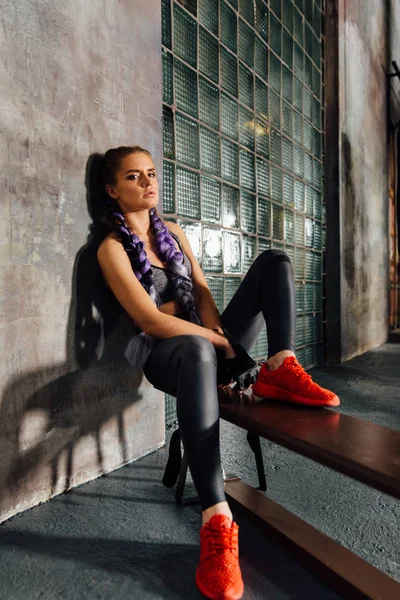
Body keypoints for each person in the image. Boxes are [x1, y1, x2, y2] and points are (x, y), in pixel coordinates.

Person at [97, 145, 339, 600]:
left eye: (151, 173)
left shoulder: (172, 231)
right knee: (195, 346)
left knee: (274, 262)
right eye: (134, 177)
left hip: (207, 343)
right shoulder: (111, 249)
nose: (148, 182)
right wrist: (218, 343)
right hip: (167, 356)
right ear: (112, 189)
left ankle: (280, 364)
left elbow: (203, 292)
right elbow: (150, 321)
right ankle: (217, 521)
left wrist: (221, 337)